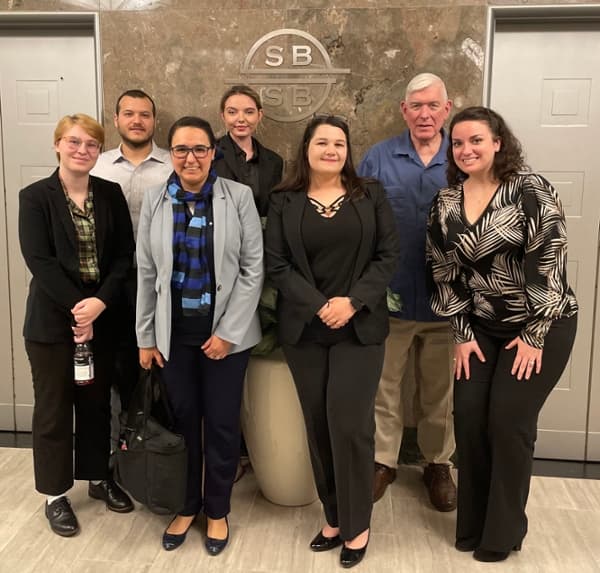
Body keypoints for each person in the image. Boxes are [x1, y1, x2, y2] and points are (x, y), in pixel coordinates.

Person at [426, 106, 578, 562]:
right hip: (479, 330)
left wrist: (534, 334)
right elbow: (442, 270)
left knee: (508, 423)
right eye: (458, 143)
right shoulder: (447, 202)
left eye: (476, 140)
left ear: (498, 143)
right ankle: (471, 526)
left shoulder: (530, 191)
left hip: (540, 326)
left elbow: (550, 262)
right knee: (470, 418)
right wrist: (461, 330)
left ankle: (504, 531)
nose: (466, 149)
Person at [265, 115, 400, 568]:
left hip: (359, 330)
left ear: (348, 150)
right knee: (318, 425)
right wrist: (320, 303)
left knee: (350, 424)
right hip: (306, 329)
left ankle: (358, 524)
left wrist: (353, 302)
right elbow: (277, 263)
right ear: (306, 148)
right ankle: (334, 517)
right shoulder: (285, 200)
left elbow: (388, 256)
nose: (331, 149)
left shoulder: (370, 194)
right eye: (322, 142)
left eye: (339, 143)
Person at [136, 116, 263, 556]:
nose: (190, 158)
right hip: (174, 337)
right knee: (184, 425)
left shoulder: (239, 197)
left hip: (226, 337)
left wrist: (228, 333)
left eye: (200, 149)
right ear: (171, 154)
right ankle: (187, 506)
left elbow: (252, 270)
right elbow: (147, 273)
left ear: (214, 153)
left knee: (224, 427)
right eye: (181, 150)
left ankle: (217, 510)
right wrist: (146, 337)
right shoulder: (155, 200)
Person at [18, 113, 135, 537]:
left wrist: (99, 305)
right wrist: (77, 310)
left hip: (102, 319)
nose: (82, 150)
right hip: (51, 324)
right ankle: (55, 494)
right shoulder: (34, 197)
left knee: (96, 404)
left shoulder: (110, 193)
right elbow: (40, 262)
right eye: (74, 142)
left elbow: (124, 255)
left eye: (91, 144)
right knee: (53, 408)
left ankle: (99, 479)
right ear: (57, 145)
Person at [358, 72, 457, 511]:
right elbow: (360, 223)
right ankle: (384, 462)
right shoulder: (378, 158)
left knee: (440, 392)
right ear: (403, 110)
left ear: (446, 109)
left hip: (448, 300)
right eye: (416, 105)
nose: (424, 113)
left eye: (432, 105)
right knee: (385, 387)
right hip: (391, 297)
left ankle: (438, 464)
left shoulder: (465, 155)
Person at [92, 89, 172, 417]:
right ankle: (119, 449)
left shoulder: (173, 164)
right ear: (116, 120)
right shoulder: (97, 165)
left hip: (159, 279)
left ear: (154, 121)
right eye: (129, 114)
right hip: (109, 280)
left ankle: (160, 448)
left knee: (162, 365)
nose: (136, 121)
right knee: (114, 366)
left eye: (144, 114)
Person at [214, 84, 283, 218]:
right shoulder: (209, 154)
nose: (241, 119)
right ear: (223, 116)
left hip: (261, 236)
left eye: (249, 112)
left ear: (259, 115)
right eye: (232, 112)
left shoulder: (274, 161)